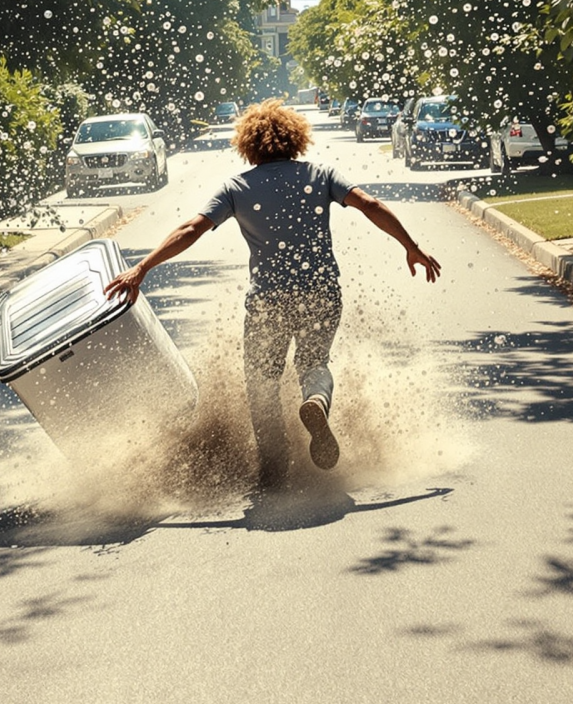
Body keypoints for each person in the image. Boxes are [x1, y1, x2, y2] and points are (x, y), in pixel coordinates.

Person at [104, 99, 441, 489]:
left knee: (262, 379)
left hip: (269, 299)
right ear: (295, 138)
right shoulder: (320, 174)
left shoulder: (237, 188)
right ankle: (316, 401)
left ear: (248, 144)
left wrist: (142, 268)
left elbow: (190, 229)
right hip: (321, 291)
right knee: (314, 363)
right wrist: (411, 246)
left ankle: (273, 468)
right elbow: (370, 204)